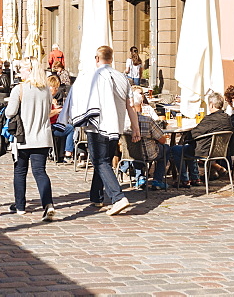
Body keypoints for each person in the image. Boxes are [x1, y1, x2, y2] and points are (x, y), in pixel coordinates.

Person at [60, 45, 140, 216]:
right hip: (116, 126)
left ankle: (118, 197)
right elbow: (131, 106)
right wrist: (135, 127)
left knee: (100, 162)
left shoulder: (91, 77)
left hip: (97, 126)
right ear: (112, 58)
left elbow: (79, 97)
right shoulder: (122, 78)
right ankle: (96, 196)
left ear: (97, 58)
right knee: (104, 160)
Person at [5, 60, 56, 220]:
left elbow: (10, 112)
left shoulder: (19, 89)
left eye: (22, 69)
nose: (20, 72)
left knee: (20, 171)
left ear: (30, 71)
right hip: (42, 136)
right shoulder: (46, 90)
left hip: (23, 137)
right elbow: (48, 111)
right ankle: (48, 204)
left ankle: (20, 206)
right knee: (40, 172)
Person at [171, 92, 233, 186]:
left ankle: (184, 179)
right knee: (191, 146)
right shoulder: (227, 118)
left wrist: (186, 137)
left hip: (204, 151)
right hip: (220, 151)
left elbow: (194, 133)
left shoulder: (210, 119)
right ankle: (195, 178)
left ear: (211, 104)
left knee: (176, 149)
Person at [130, 90, 169, 190]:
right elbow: (162, 140)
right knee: (166, 149)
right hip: (149, 154)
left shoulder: (123, 121)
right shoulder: (147, 121)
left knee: (135, 148)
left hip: (130, 155)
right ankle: (157, 180)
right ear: (141, 104)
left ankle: (140, 177)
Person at [47, 74, 74, 163]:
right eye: (56, 88)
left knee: (67, 125)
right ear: (51, 87)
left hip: (54, 124)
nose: (57, 90)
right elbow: (46, 115)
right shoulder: (47, 99)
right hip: (50, 126)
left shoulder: (50, 98)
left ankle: (63, 153)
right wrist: (58, 110)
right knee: (70, 128)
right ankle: (68, 154)